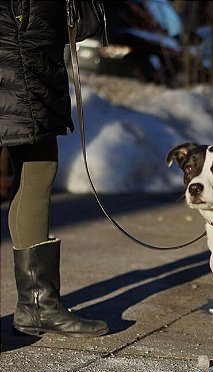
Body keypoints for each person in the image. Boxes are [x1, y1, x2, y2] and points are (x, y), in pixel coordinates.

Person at [0, 1, 108, 337]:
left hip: (36, 59)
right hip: (12, 47)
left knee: (40, 168)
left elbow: (87, 22)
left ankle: (37, 304)